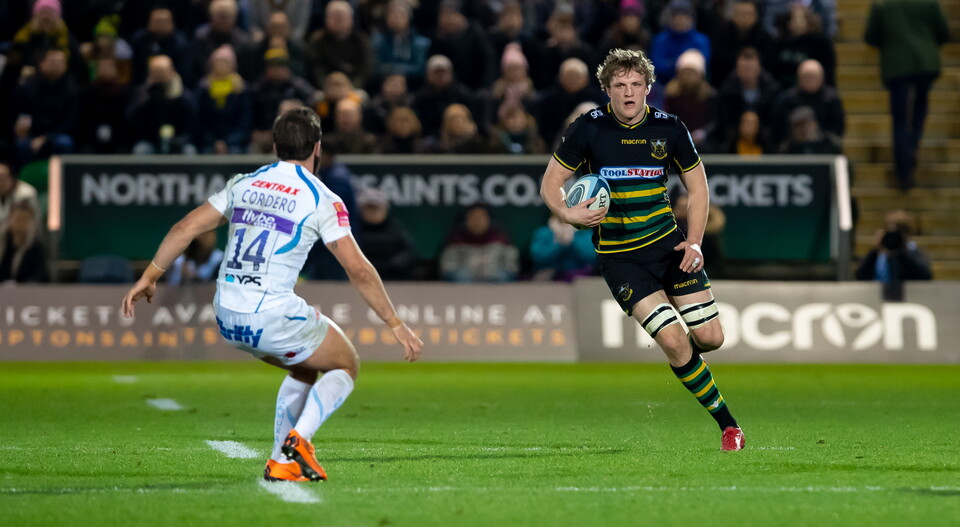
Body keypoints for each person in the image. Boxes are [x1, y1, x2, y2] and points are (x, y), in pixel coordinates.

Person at [122, 107, 423, 483]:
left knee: (304, 366)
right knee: (345, 364)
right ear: (318, 147)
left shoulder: (244, 183)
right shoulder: (321, 197)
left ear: (276, 146)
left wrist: (150, 276)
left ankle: (281, 461)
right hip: (271, 314)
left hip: (226, 314)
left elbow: (186, 228)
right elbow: (358, 269)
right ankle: (300, 441)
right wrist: (394, 322)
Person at [539, 48, 744, 451]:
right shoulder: (588, 128)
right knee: (674, 341)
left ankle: (687, 357)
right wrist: (566, 213)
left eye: (636, 84)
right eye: (620, 85)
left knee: (711, 338)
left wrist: (695, 240)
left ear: (649, 88)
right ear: (607, 89)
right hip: (621, 259)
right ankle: (728, 426)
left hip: (669, 247)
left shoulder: (670, 128)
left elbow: (698, 188)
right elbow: (550, 183)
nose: (629, 92)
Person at [864, 0, 949, 191]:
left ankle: (903, 168)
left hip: (896, 65)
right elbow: (944, 33)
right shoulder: (928, 3)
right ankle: (912, 145)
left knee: (900, 119)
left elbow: (871, 36)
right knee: (920, 109)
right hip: (924, 62)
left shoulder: (882, 5)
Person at [439, 202, 519, 283]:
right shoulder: (456, 240)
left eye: (482, 217)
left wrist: (495, 275)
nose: (478, 221)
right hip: (464, 287)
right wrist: (464, 276)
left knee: (501, 277)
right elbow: (448, 268)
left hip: (495, 286)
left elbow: (511, 268)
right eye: (474, 217)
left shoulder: (501, 239)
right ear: (466, 220)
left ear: (489, 219)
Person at [355, 186, 417, 281]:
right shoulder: (354, 230)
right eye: (369, 208)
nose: (373, 212)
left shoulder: (396, 229)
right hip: (363, 279)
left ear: (385, 209)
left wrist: (395, 265)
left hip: (395, 280)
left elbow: (410, 253)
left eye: (377, 208)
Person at [855, 209, 933, 283]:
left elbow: (926, 277)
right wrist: (876, 250)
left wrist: (902, 253)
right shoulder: (878, 255)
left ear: (907, 234)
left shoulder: (915, 252)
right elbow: (860, 277)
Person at [529, 213, 596, 281]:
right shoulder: (544, 232)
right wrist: (560, 245)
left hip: (579, 276)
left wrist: (571, 240)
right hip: (549, 276)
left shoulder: (583, 232)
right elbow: (538, 257)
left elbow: (591, 257)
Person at [0, 200, 48, 283]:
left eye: (25, 220)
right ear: (10, 219)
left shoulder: (36, 247)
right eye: (18, 219)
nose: (21, 224)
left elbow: (38, 276)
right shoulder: (2, 241)